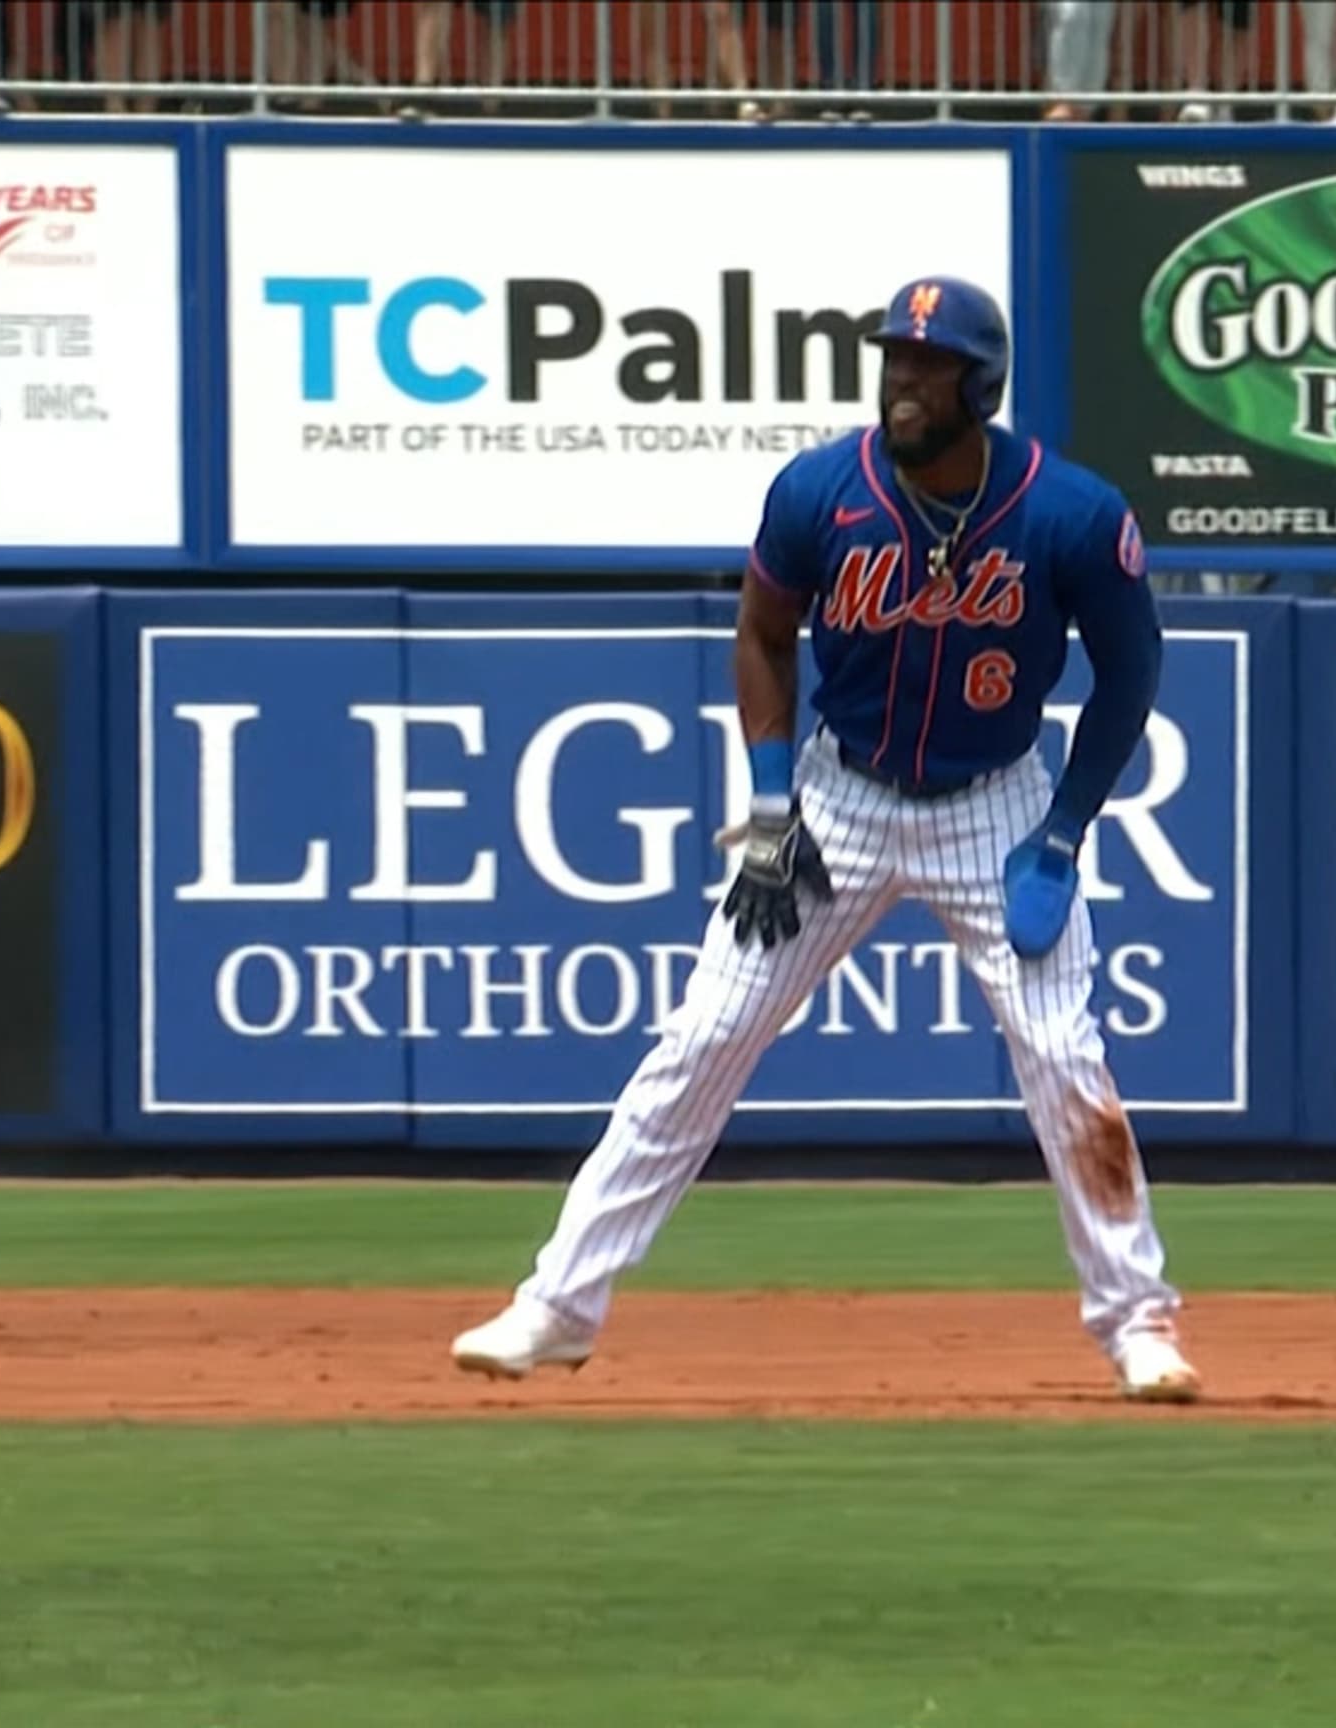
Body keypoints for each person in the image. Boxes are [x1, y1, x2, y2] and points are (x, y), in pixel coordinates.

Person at [448, 276, 1204, 1405]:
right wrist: (767, 809)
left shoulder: (1072, 514)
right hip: (839, 799)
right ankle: (557, 1306)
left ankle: (1139, 1323)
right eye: (894, 358)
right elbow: (762, 633)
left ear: (980, 384)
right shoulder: (817, 491)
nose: (902, 379)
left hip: (994, 804)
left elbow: (1131, 676)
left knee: (1065, 1064)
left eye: (927, 363)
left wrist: (1060, 836)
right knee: (702, 1039)